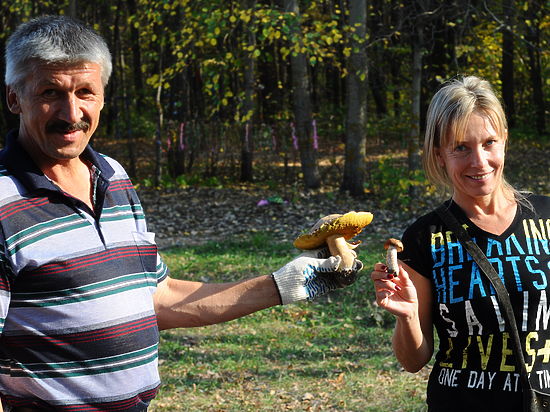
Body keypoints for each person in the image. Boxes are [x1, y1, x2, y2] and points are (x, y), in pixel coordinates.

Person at [0, 16, 363, 412]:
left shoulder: (112, 176)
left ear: (103, 95)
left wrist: (285, 284)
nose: (72, 114)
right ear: (14, 98)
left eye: (86, 92)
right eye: (51, 92)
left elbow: (156, 297)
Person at [371, 75, 550, 411]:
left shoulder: (547, 218)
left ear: (505, 141)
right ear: (439, 154)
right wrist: (407, 317)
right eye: (461, 148)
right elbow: (413, 361)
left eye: (489, 143)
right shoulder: (423, 238)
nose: (479, 162)